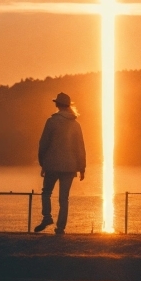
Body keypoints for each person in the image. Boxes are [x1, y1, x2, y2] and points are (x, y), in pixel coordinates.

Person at [35, 92, 86, 235]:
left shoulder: (51, 122)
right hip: (70, 167)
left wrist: (42, 163)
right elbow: (80, 147)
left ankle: (47, 217)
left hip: (52, 164)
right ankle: (61, 228)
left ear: (57, 105)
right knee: (64, 198)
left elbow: (43, 143)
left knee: (46, 192)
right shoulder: (76, 124)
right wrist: (82, 167)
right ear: (69, 105)